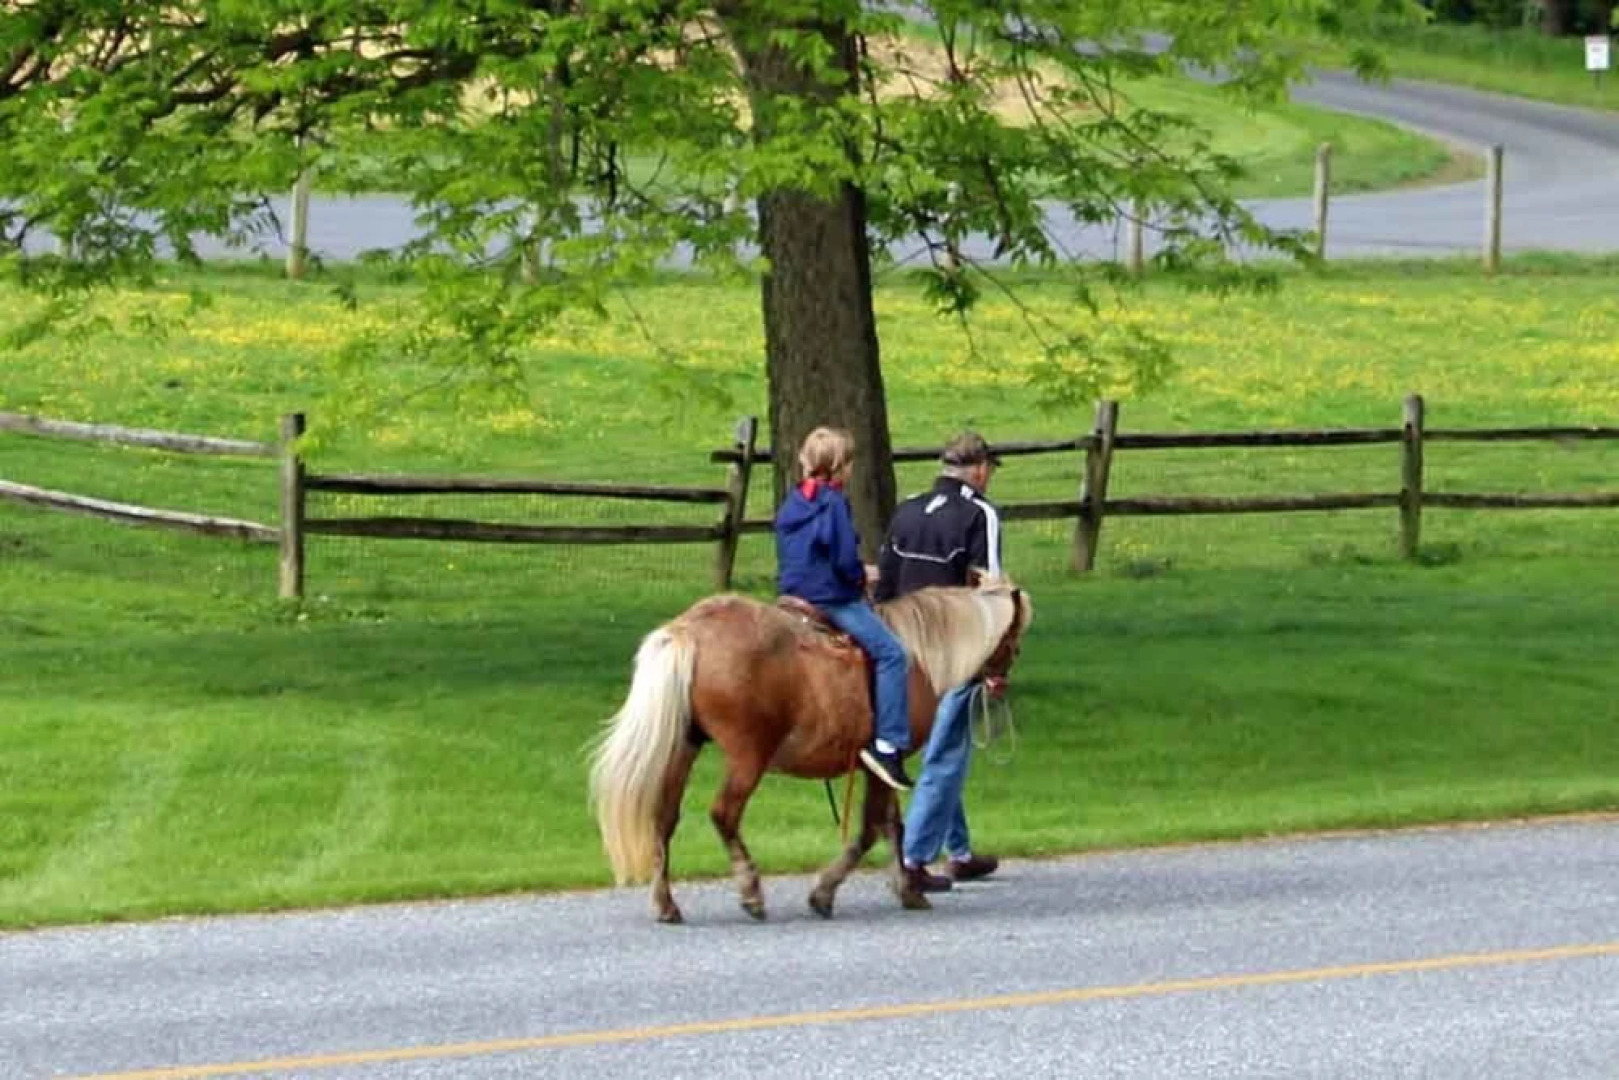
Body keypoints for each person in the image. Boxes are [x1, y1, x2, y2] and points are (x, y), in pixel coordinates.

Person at [874, 430, 1005, 893]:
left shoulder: (908, 509)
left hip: (903, 646)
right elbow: (988, 590)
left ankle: (961, 851)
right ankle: (913, 858)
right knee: (946, 751)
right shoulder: (981, 514)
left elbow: (886, 582)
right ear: (980, 469)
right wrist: (991, 662)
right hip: (954, 649)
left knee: (940, 745)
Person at [775, 426, 913, 791]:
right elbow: (841, 560)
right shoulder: (834, 502)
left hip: (792, 592)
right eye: (849, 463)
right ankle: (888, 744)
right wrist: (862, 576)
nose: (851, 470)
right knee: (892, 653)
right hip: (829, 598)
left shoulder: (794, 500)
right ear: (839, 467)